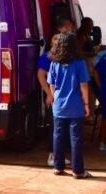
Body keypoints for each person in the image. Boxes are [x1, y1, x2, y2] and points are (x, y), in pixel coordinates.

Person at [48, 32, 92, 179]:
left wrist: (55, 98)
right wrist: (86, 104)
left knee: (58, 136)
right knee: (76, 138)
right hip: (76, 106)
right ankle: (78, 170)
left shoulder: (54, 62)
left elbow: (51, 84)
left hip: (59, 105)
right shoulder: (79, 63)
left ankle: (57, 167)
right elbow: (84, 84)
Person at [38, 34, 70, 167]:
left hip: (64, 97)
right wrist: (49, 94)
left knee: (63, 126)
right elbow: (41, 75)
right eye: (56, 40)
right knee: (55, 127)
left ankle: (60, 154)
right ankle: (52, 155)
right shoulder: (47, 57)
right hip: (55, 97)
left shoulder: (65, 57)